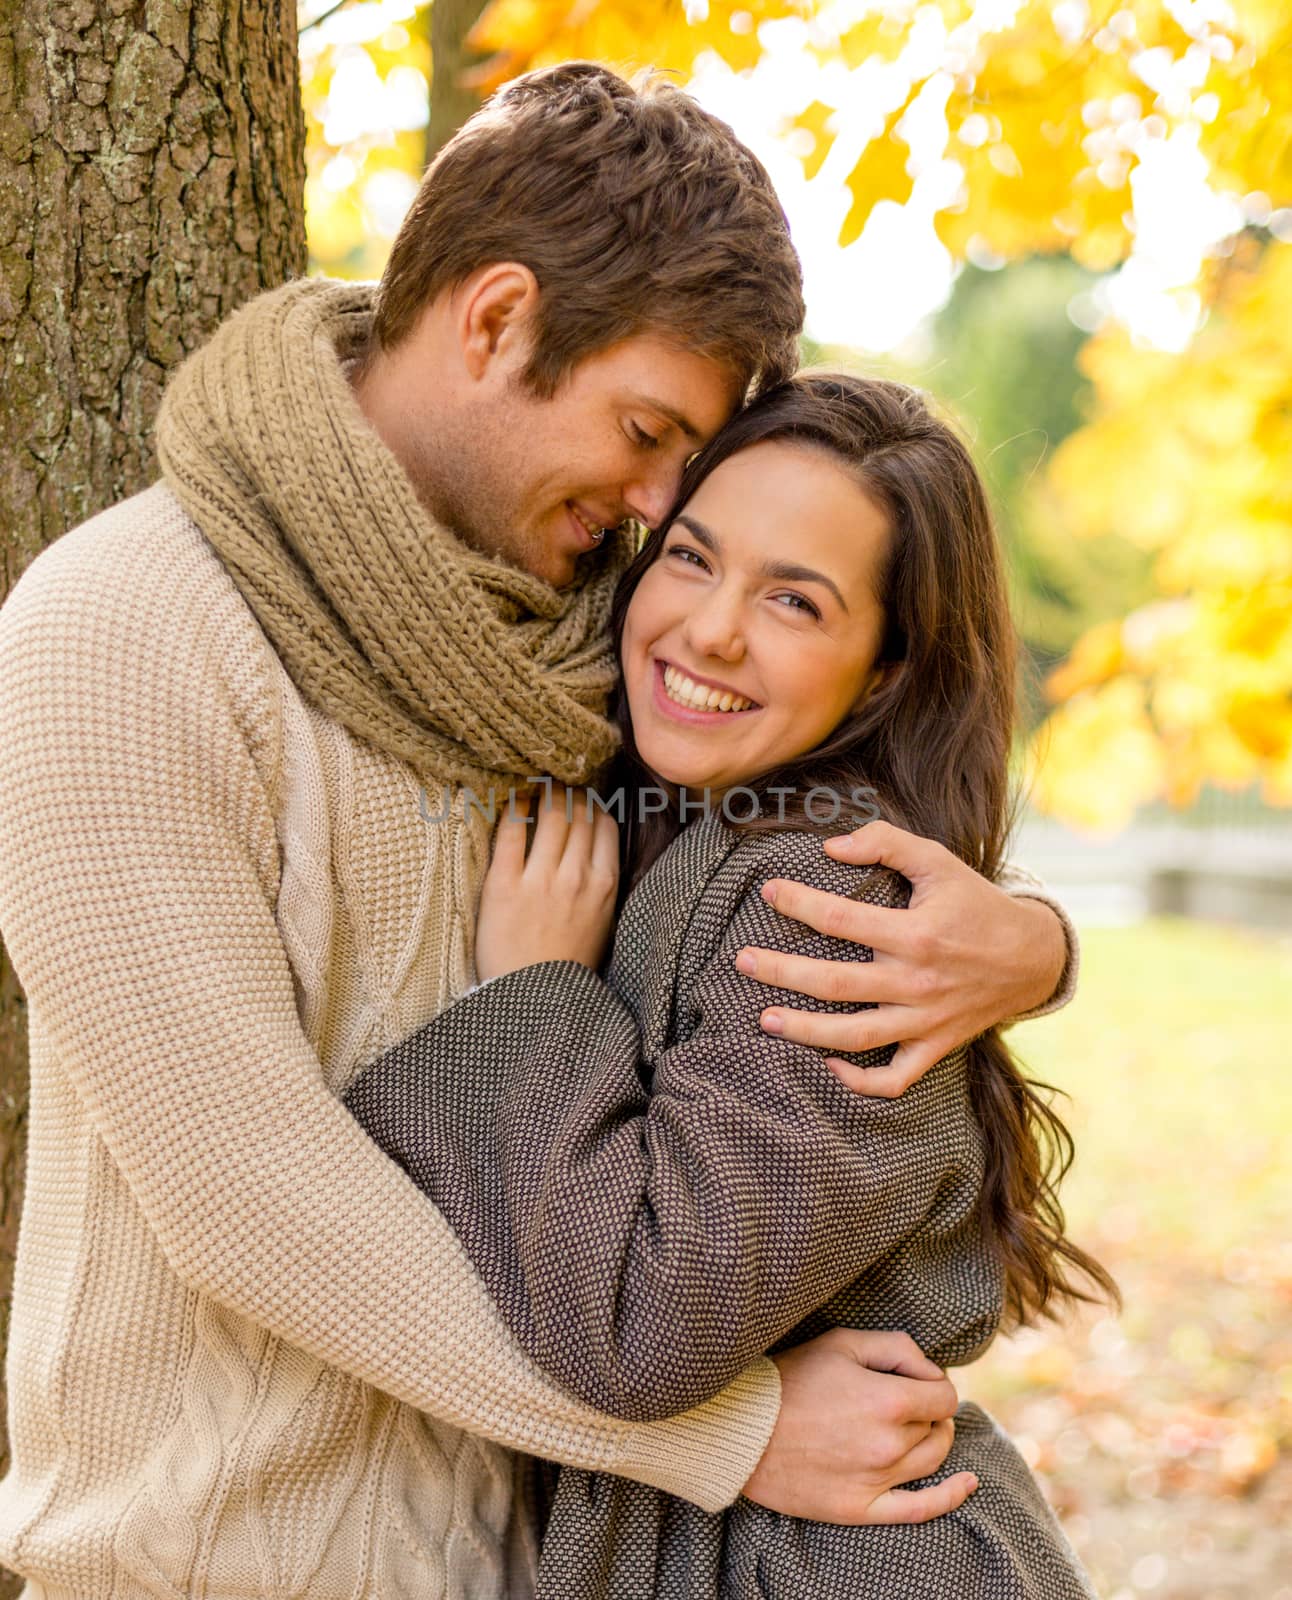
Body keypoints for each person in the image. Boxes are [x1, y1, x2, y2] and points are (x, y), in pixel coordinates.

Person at [0, 65, 1075, 1600]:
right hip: (219, 1562)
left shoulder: (593, 642)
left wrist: (1032, 946)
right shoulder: (125, 629)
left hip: (533, 1564)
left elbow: (802, 852)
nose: (655, 514)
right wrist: (724, 1433)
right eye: (648, 438)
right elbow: (246, 1196)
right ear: (496, 322)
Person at [344, 373, 1115, 1597]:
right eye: (691, 558)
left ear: (881, 673)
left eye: (794, 602)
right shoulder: (693, 818)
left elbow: (644, 1325)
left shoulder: (836, 896)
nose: (708, 629)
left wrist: (542, 990)